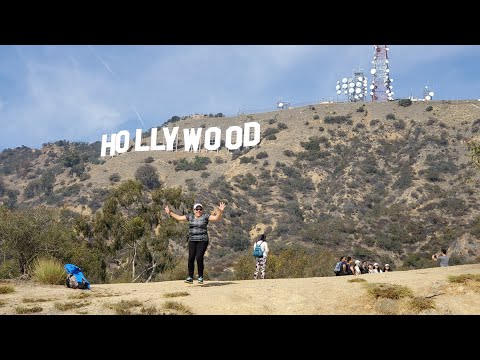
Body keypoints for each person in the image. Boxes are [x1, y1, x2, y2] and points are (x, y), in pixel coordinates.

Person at [165, 201, 226, 284]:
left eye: (200, 209)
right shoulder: (190, 216)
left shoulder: (205, 216)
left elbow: (216, 218)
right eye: (197, 209)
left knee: (199, 257)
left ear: (202, 210)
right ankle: (190, 277)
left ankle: (200, 276)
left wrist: (220, 211)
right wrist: (170, 213)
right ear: (194, 210)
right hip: (192, 240)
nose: (198, 211)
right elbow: (179, 218)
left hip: (203, 240)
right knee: (191, 258)